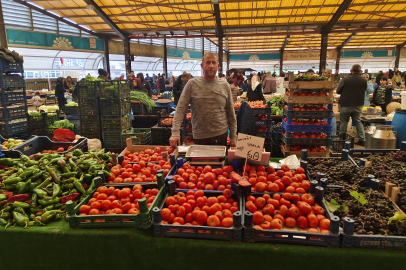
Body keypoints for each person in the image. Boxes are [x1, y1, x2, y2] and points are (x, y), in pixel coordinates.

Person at [169, 52, 237, 148]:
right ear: (202, 65)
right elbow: (180, 109)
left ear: (218, 66)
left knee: (219, 162)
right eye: (207, 62)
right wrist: (175, 132)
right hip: (200, 136)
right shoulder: (192, 84)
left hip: (221, 134)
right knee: (201, 162)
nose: (211, 66)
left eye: (213, 63)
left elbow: (231, 113)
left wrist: (233, 137)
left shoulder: (225, 85)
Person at [336, 64, 367, 145]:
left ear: (351, 71)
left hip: (346, 104)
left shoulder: (345, 79)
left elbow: (338, 91)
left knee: (344, 122)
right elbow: (364, 90)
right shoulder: (364, 80)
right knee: (358, 121)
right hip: (358, 104)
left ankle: (342, 140)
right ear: (360, 71)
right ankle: (362, 140)